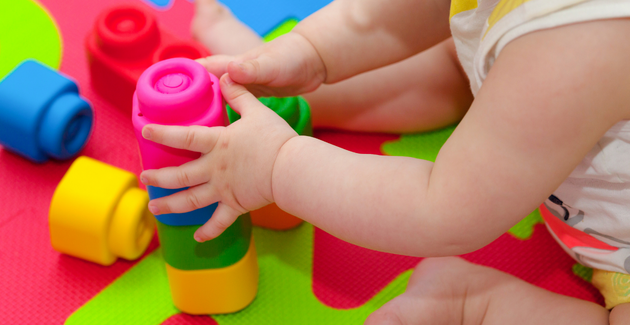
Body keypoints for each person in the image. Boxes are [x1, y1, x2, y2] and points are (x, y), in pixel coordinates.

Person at [139, 0, 630, 323]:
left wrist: (277, 166)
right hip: (560, 113)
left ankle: (478, 305)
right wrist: (308, 53)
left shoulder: (580, 47)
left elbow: (444, 209)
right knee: (452, 61)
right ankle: (301, 99)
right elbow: (394, 15)